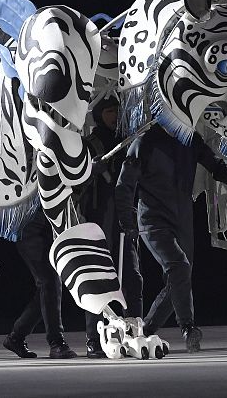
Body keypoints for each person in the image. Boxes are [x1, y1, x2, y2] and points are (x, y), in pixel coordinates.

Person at [114, 122, 227, 353]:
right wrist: (127, 220)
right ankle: (188, 327)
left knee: (179, 277)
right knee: (179, 268)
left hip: (182, 218)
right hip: (153, 220)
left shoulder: (190, 138)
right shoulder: (144, 142)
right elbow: (124, 185)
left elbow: (212, 162)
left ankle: (146, 330)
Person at [79, 95, 141, 359]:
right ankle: (94, 337)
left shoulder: (128, 142)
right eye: (109, 111)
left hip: (123, 218)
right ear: (99, 114)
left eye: (117, 110)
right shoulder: (87, 144)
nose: (114, 115)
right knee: (99, 281)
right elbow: (73, 182)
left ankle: (133, 331)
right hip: (97, 220)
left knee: (132, 279)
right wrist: (91, 171)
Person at [2, 211, 77, 359]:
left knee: (48, 286)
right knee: (49, 281)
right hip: (29, 222)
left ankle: (16, 336)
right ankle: (56, 342)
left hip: (52, 222)